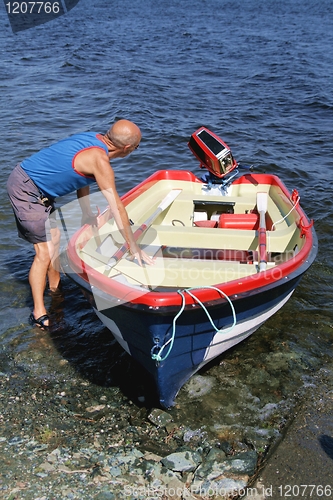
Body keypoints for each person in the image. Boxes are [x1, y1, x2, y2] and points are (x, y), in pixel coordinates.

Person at [7, 119, 154, 330]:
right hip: (26, 190)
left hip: (36, 187)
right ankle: (38, 311)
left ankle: (55, 289)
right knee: (44, 252)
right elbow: (117, 206)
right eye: (137, 147)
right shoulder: (101, 162)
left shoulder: (95, 140)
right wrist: (133, 246)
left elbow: (83, 178)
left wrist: (86, 213)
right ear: (128, 148)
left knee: (54, 239)